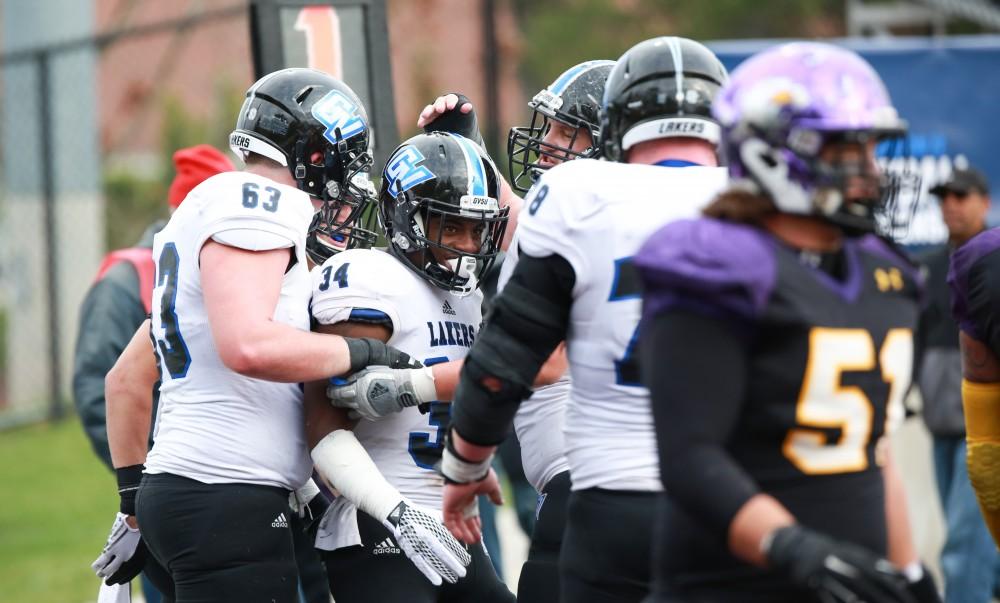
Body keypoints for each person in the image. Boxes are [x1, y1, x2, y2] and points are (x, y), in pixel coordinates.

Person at [90, 67, 419, 603]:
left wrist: (132, 502)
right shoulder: (258, 203)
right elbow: (246, 346)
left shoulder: (211, 209)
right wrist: (362, 351)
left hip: (192, 493)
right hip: (224, 498)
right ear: (317, 156)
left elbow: (125, 379)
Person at [634, 42, 938, 602]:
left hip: (853, 584)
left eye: (872, 148)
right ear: (776, 152)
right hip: (729, 587)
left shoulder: (884, 275)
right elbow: (691, 456)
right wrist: (795, 548)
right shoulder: (719, 266)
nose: (870, 169)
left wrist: (910, 573)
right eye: (851, 149)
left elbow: (876, 447)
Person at [437, 37, 731, 603]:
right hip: (733, 500)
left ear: (613, 129)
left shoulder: (574, 199)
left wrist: (465, 462)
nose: (546, 146)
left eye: (566, 130)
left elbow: (512, 359)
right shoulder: (756, 205)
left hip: (603, 497)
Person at [413, 59, 614, 603]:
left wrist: (422, 386)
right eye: (547, 126)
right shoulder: (610, 216)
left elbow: (539, 360)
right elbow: (526, 228)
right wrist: (473, 156)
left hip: (593, 483)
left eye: (566, 130)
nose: (547, 142)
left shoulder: (593, 221)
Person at [303, 131, 514, 602]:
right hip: (381, 521)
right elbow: (322, 427)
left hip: (450, 521)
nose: (467, 245)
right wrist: (396, 512)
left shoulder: (469, 298)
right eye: (450, 227)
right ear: (407, 220)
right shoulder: (369, 277)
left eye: (477, 230)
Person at [75, 143, 233, 603]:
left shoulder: (222, 269)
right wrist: (143, 487)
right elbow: (95, 389)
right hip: (170, 489)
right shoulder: (127, 281)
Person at [918, 167, 999, 601]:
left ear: (985, 201)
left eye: (960, 195)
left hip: (986, 429)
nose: (950, 204)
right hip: (940, 428)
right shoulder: (927, 267)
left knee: (964, 550)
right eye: (943, 196)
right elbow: (913, 337)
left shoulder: (994, 264)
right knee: (973, 539)